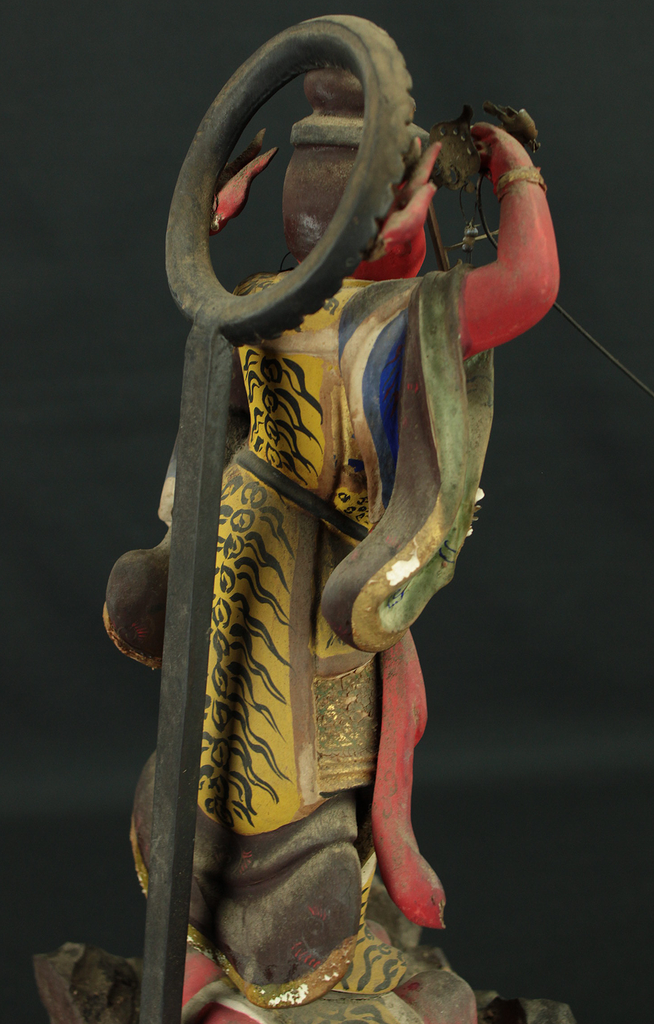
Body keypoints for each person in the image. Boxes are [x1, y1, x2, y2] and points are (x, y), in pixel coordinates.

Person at [105, 66, 558, 1024]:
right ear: (384, 214)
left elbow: (206, 331)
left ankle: (212, 947)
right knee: (365, 715)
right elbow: (527, 286)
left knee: (235, 731)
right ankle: (290, 946)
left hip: (237, 538)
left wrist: (206, 219)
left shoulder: (252, 302)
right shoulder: (384, 321)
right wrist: (519, 175)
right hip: (306, 580)